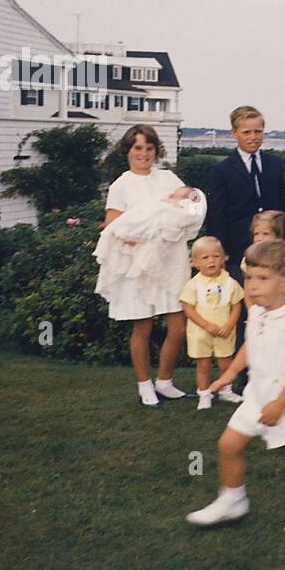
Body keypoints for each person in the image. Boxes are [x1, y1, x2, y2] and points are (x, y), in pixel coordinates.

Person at [186, 239, 285, 530]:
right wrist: (230, 373)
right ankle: (233, 499)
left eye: (262, 278)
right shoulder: (256, 310)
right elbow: (250, 345)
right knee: (228, 445)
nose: (253, 285)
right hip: (255, 395)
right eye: (249, 278)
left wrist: (280, 404)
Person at [95, 124, 196, 407]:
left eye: (149, 148)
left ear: (156, 150)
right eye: (138, 148)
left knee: (177, 327)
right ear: (128, 150)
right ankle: (145, 386)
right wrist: (135, 233)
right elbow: (114, 225)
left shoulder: (168, 178)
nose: (144, 154)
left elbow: (189, 208)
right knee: (143, 328)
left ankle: (164, 382)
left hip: (170, 262)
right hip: (138, 265)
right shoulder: (121, 185)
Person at [205, 106, 285, 281]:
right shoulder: (222, 170)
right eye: (246, 132)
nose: (253, 137)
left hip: (273, 250)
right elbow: (216, 215)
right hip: (237, 251)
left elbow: (283, 206)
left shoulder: (275, 164)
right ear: (234, 132)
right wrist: (220, 255)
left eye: (258, 131)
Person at [178, 236, 246, 411]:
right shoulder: (193, 284)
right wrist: (206, 325)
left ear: (223, 259)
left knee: (226, 363)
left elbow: (236, 305)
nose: (211, 261)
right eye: (205, 258)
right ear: (195, 263)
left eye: (216, 256)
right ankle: (204, 393)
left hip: (224, 331)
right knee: (203, 364)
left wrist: (230, 325)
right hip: (201, 332)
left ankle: (225, 390)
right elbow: (188, 308)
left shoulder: (230, 282)